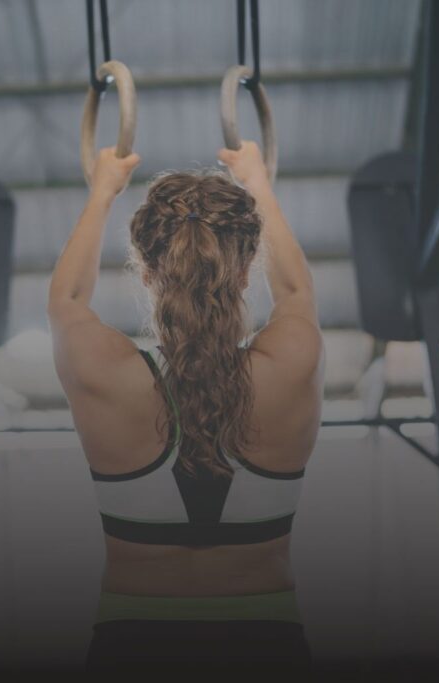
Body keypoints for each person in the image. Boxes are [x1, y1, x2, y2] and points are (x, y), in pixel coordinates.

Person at [47, 141, 324, 671]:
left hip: (133, 645)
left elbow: (66, 302)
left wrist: (103, 191)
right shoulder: (292, 366)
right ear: (244, 272)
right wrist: (258, 182)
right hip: (266, 645)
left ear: (148, 273)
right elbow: (295, 292)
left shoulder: (105, 375)